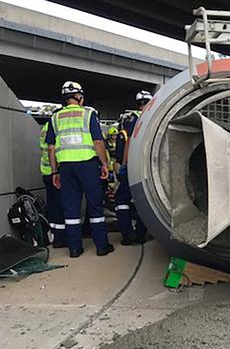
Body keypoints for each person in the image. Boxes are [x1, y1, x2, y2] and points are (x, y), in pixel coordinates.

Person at [46, 81, 114, 257]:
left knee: (70, 208)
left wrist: (54, 172)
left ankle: (74, 248)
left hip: (66, 168)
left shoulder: (55, 117)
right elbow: (98, 142)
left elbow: (51, 148)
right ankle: (101, 246)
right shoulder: (88, 113)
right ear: (79, 97)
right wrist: (105, 164)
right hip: (88, 165)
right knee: (95, 205)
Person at [114, 90, 151, 245]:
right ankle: (141, 234)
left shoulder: (134, 118)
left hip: (133, 166)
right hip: (149, 167)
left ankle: (128, 234)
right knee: (144, 200)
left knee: (121, 200)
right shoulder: (153, 116)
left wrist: (124, 163)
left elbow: (129, 142)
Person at [40, 121, 66, 247]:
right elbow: (53, 150)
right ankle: (60, 238)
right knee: (61, 205)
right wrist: (57, 171)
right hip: (55, 173)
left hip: (46, 172)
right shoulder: (56, 127)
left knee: (52, 205)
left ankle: (54, 234)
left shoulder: (45, 127)